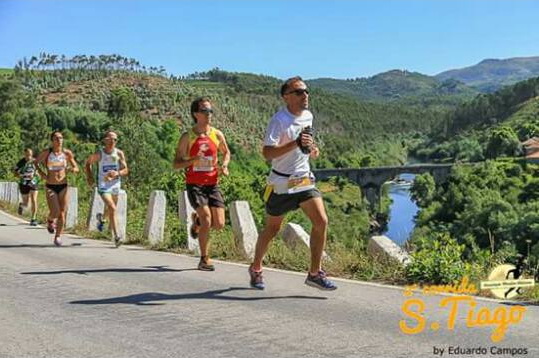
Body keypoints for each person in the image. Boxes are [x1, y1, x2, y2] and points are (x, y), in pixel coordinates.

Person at [248, 76, 337, 291]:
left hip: (304, 180)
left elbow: (306, 141)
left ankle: (314, 273)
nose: (305, 95)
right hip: (281, 183)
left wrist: (311, 148)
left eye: (306, 91)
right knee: (272, 229)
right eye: (298, 92)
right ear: (286, 97)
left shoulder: (308, 116)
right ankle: (256, 267)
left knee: (321, 221)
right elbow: (267, 153)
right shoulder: (279, 120)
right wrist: (295, 144)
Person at [174, 97, 231, 271]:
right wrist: (193, 160)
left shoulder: (216, 134)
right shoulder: (188, 137)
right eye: (205, 111)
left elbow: (226, 152)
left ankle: (196, 222)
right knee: (207, 220)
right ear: (196, 114)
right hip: (195, 184)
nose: (209, 115)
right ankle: (204, 259)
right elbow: (176, 164)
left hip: (212, 183)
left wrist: (224, 166)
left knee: (219, 224)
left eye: (210, 111)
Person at [85, 130, 129, 247]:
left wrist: (117, 173)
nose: (112, 142)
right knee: (112, 207)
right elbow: (88, 163)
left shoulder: (119, 153)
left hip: (115, 184)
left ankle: (102, 219)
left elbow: (126, 170)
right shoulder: (99, 154)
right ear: (105, 140)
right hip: (103, 185)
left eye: (114, 140)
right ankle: (116, 237)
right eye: (109, 139)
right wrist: (89, 177)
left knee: (111, 209)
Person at [35, 131, 79, 246]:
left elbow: (76, 167)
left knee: (62, 213)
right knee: (55, 211)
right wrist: (41, 173)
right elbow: (35, 163)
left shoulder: (66, 153)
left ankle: (58, 236)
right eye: (56, 138)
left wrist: (73, 169)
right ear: (52, 141)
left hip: (63, 185)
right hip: (51, 185)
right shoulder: (47, 153)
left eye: (61, 138)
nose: (59, 140)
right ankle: (50, 220)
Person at [12, 148, 40, 226]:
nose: (29, 157)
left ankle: (33, 218)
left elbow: (38, 171)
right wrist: (24, 175)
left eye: (30, 155)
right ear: (24, 154)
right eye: (27, 155)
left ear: (32, 154)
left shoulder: (35, 161)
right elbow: (15, 174)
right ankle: (21, 205)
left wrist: (35, 175)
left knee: (34, 200)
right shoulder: (21, 162)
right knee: (26, 204)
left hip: (33, 182)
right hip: (23, 183)